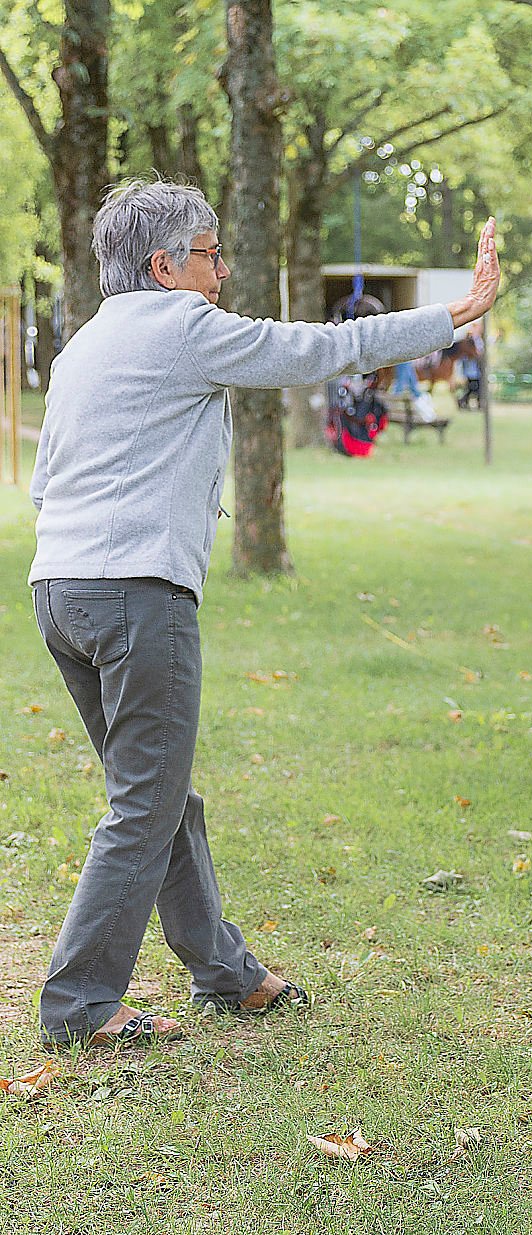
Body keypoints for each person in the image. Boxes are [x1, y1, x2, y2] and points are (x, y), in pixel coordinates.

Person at [28, 177, 499, 1050]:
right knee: (144, 801)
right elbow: (318, 350)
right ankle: (79, 1005)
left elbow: (42, 483)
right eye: (209, 253)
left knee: (165, 795)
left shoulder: (83, 347)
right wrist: (454, 313)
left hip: (60, 590)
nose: (222, 269)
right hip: (136, 592)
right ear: (164, 266)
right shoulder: (182, 328)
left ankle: (225, 973)